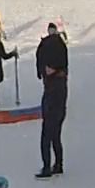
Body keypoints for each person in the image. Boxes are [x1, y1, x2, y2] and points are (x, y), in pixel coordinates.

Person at [35, 24, 68, 179]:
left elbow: (51, 98)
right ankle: (58, 165)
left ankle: (47, 167)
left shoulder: (54, 80)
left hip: (53, 109)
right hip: (59, 110)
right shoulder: (61, 77)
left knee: (46, 138)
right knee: (56, 137)